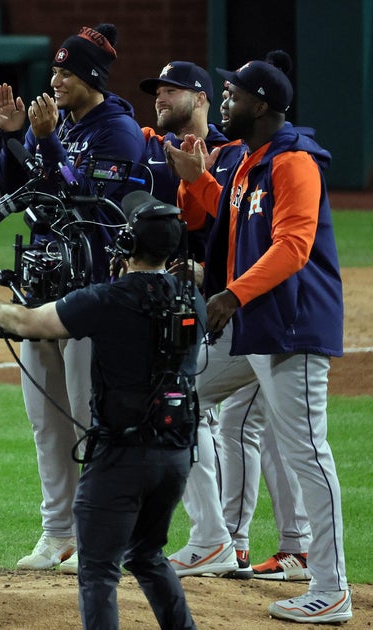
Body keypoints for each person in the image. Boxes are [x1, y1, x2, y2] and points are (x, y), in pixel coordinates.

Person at [165, 51, 349, 624]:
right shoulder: (250, 161)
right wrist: (197, 186)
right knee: (179, 397)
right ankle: (213, 538)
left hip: (290, 325)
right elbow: (237, 221)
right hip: (255, 326)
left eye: (234, 94)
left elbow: (292, 246)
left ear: (261, 105)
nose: (224, 101)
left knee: (307, 453)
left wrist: (231, 294)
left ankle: (331, 586)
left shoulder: (294, 163)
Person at [0, 190, 203, 630]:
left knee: (97, 572)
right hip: (175, 454)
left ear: (128, 245)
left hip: (120, 457)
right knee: (147, 556)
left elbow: (28, 323)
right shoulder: (194, 300)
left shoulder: (107, 299)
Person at [0, 23, 144, 572]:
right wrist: (13, 137)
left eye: (66, 73)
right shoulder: (52, 123)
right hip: (42, 288)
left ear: (92, 79)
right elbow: (22, 192)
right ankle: (57, 532)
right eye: (54, 71)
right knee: (45, 420)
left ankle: (100, 533)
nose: (55, 81)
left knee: (88, 417)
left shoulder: (119, 132)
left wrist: (48, 140)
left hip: (92, 292)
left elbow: (91, 204)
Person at [133, 61, 247, 579]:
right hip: (223, 310)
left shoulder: (234, 156)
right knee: (243, 428)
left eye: (170, 89)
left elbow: (241, 230)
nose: (159, 95)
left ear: (200, 98)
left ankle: (216, 538)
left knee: (188, 404)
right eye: (156, 89)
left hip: (242, 307)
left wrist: (197, 181)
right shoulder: (174, 151)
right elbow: (200, 233)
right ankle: (251, 542)